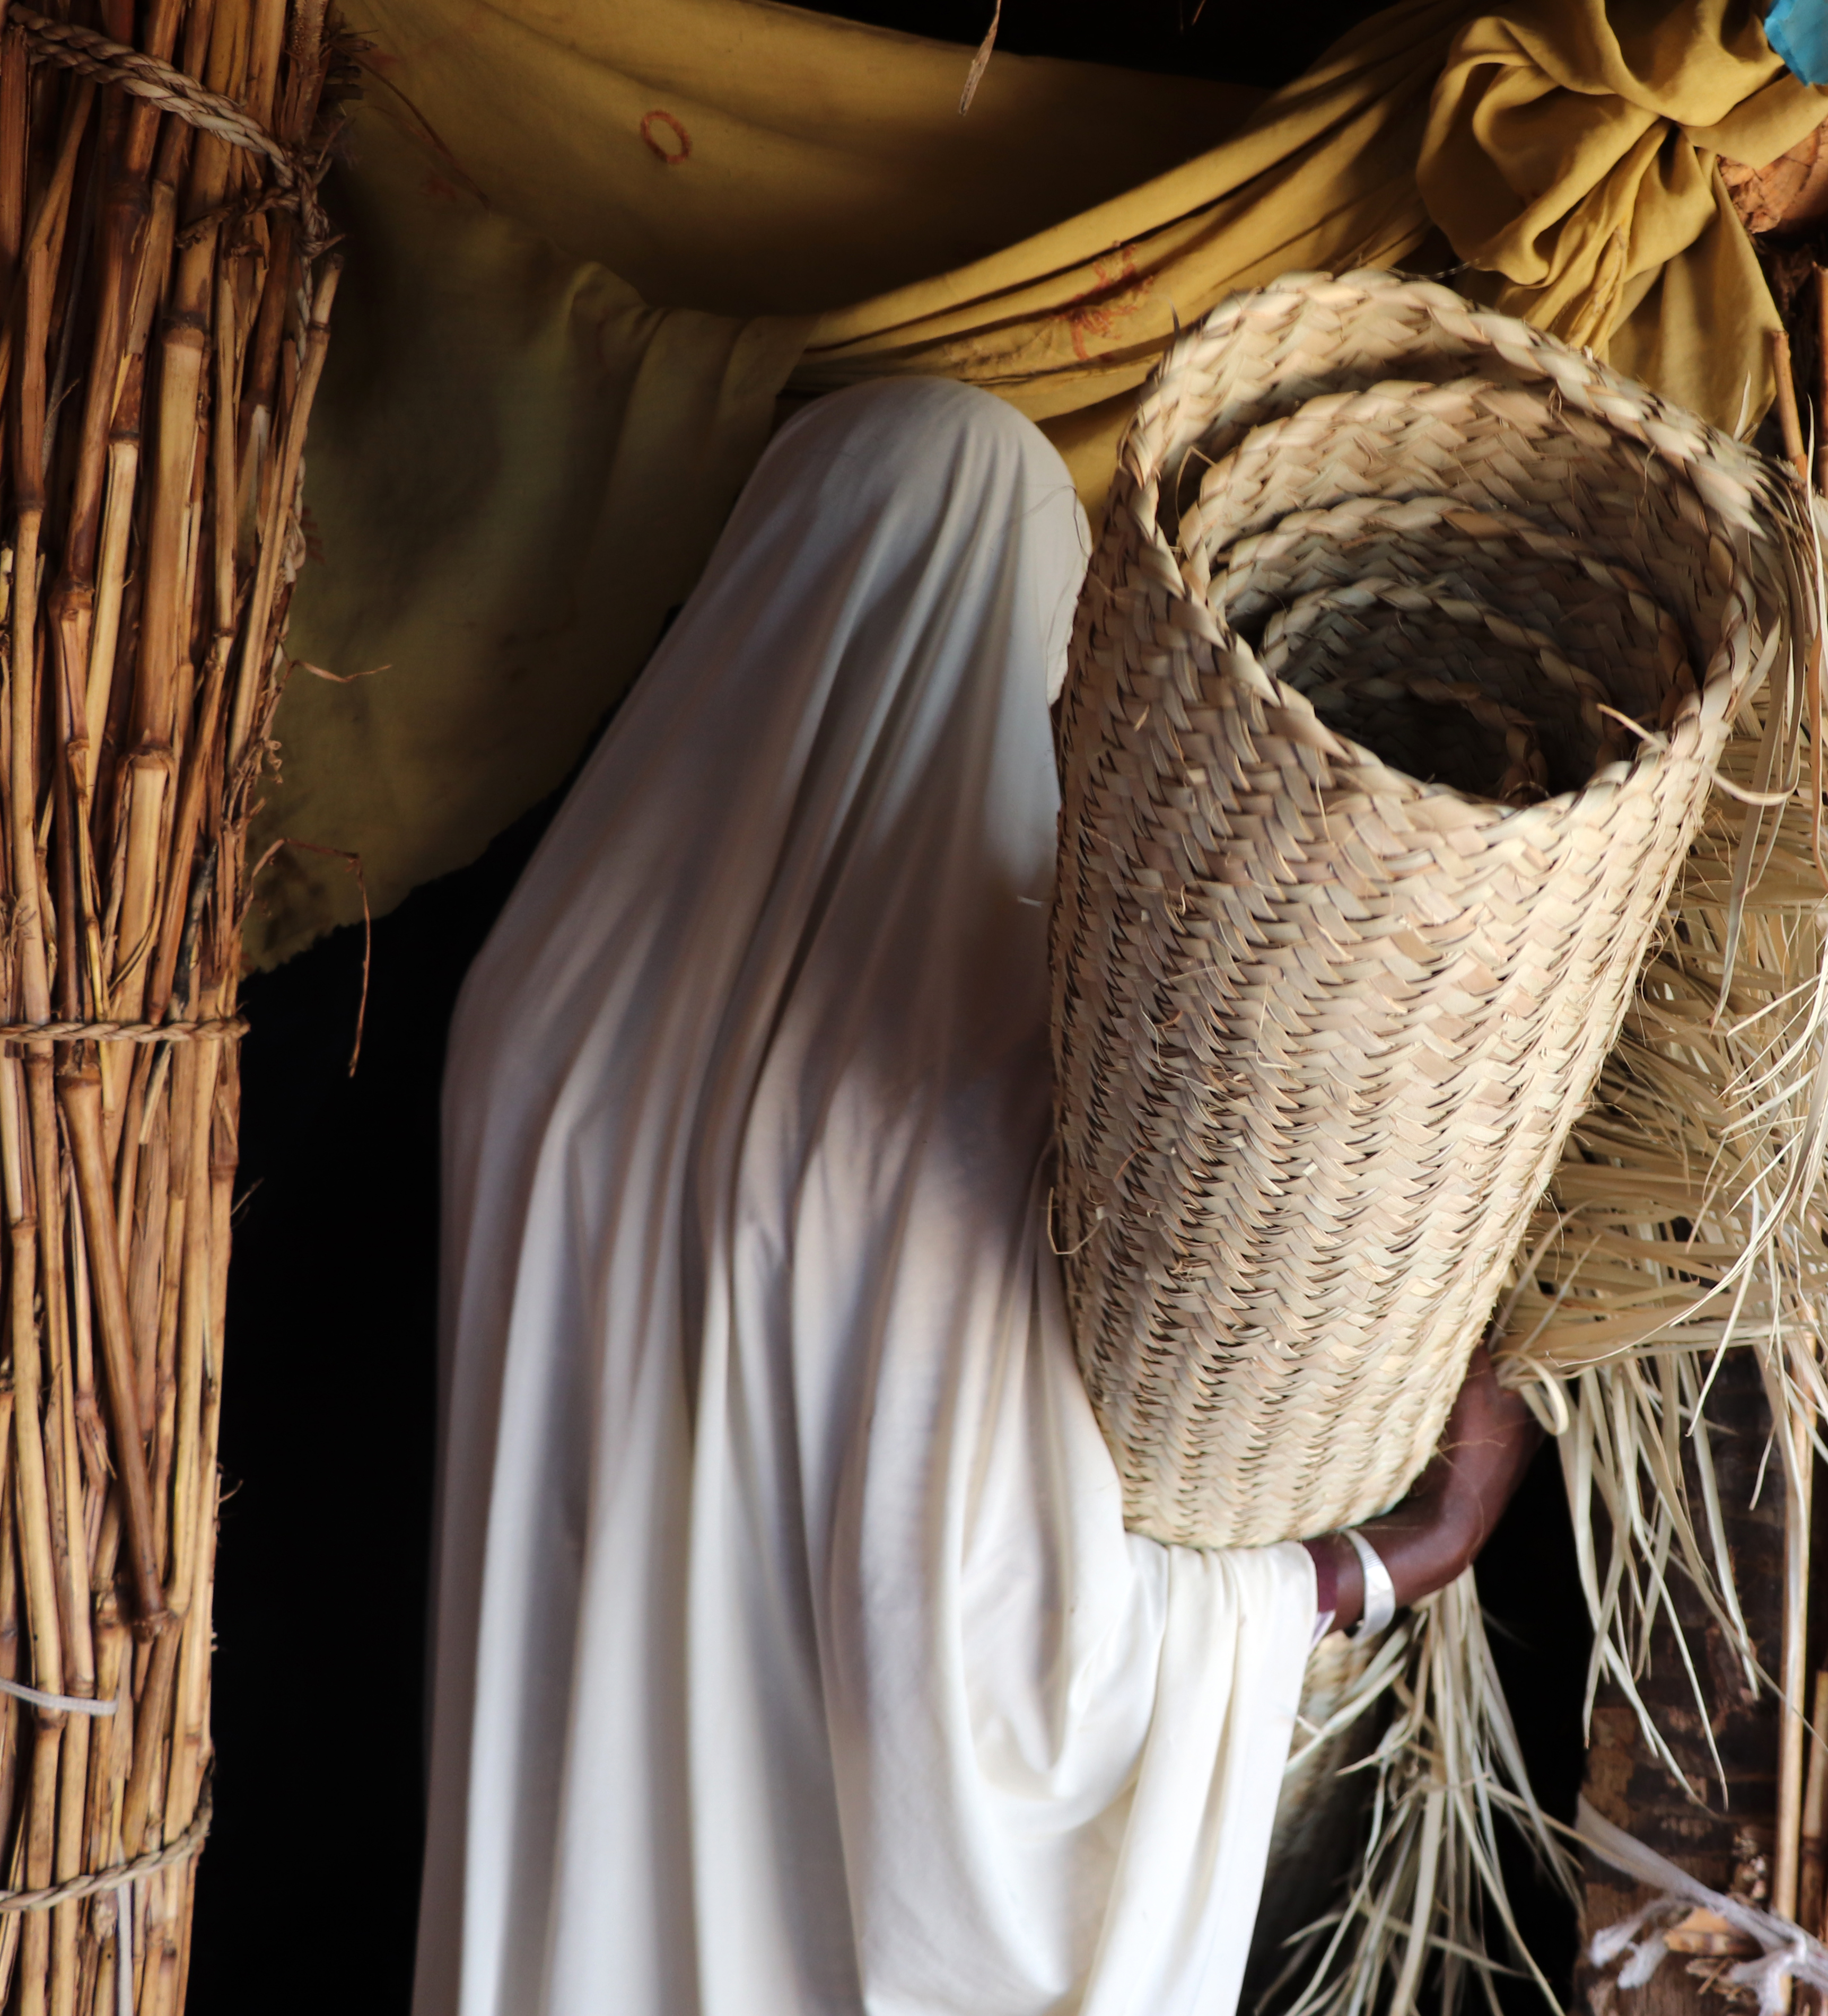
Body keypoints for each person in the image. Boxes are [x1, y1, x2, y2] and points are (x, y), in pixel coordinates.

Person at [416, 376, 1541, 2016]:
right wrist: (1388, 1563)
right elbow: (1010, 1695)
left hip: (549, 1874)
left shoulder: (533, 1005)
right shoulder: (953, 1075)